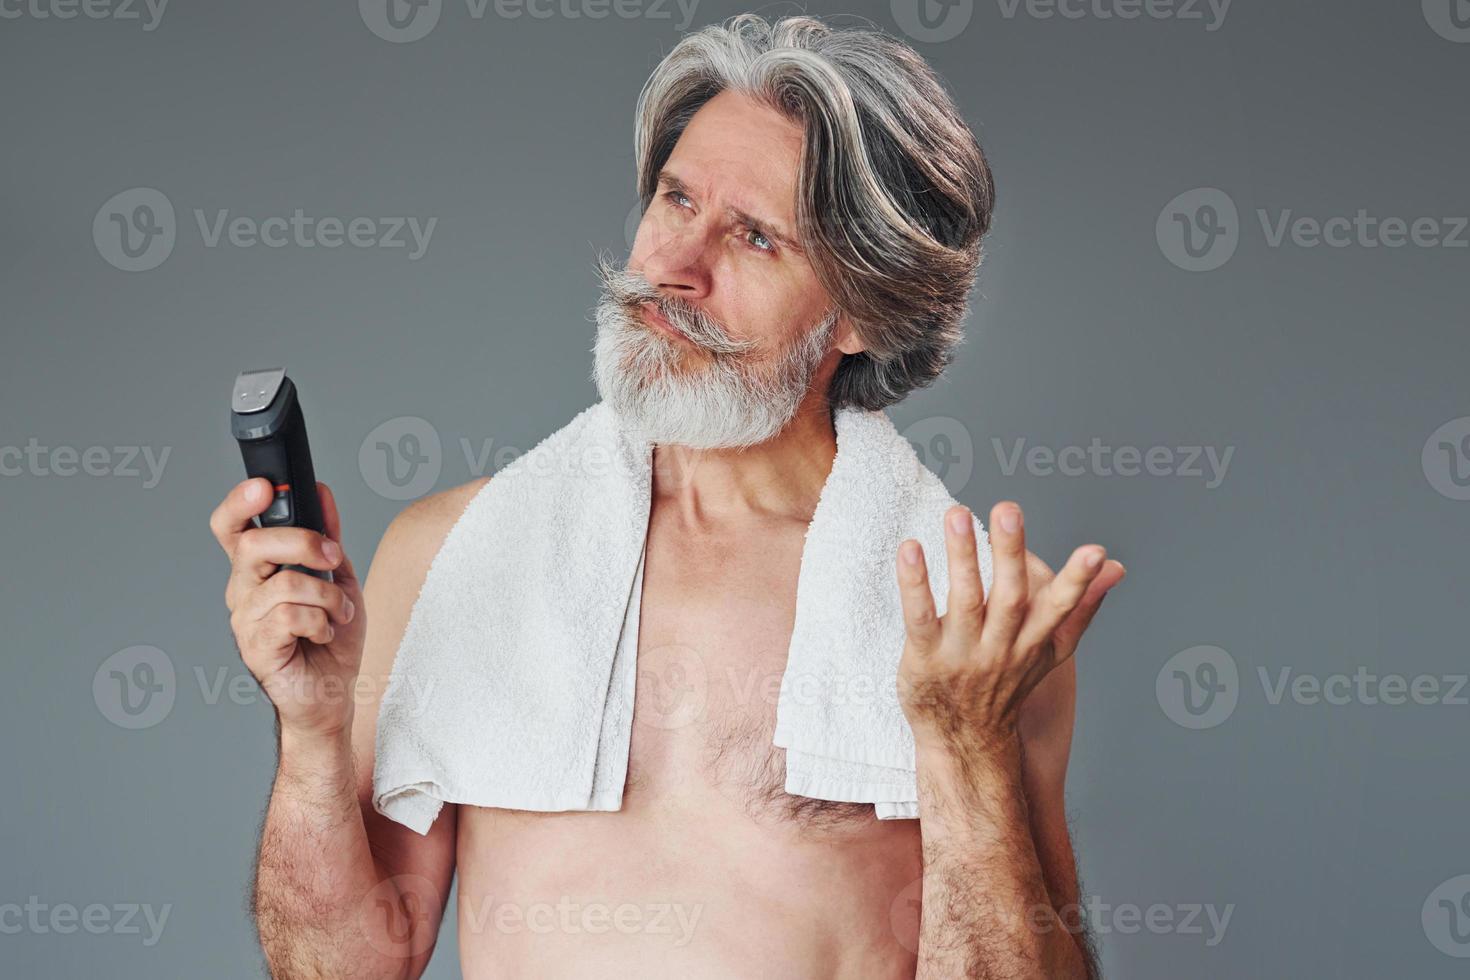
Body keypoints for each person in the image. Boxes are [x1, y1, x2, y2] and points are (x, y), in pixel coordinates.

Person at [209, 14, 1125, 978]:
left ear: (860, 311)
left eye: (756, 238)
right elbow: (338, 969)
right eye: (675, 198)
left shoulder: (972, 619)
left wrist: (966, 746)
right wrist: (312, 733)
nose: (675, 269)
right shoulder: (450, 556)